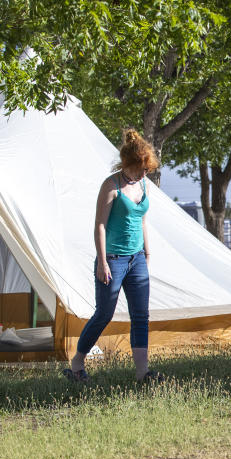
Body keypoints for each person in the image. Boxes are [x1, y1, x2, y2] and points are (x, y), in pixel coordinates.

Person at [65, 128, 162, 384]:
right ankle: (77, 364)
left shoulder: (143, 185)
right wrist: (103, 261)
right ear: (128, 164)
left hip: (137, 258)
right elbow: (100, 225)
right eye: (141, 168)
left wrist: (147, 252)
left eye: (147, 169)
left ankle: (143, 373)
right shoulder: (111, 185)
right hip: (113, 260)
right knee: (104, 314)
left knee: (140, 315)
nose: (145, 173)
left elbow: (142, 220)